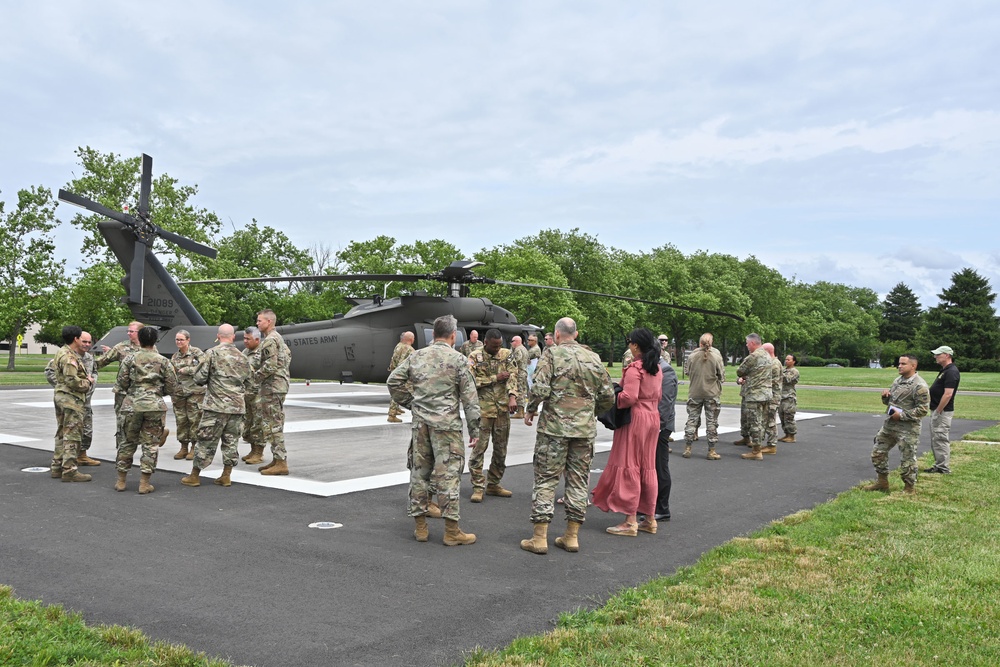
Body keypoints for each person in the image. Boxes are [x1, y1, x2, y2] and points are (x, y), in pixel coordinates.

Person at [520, 317, 615, 554]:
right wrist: (590, 412)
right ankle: (571, 536)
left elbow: (540, 388)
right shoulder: (592, 357)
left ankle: (539, 538)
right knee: (578, 481)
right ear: (577, 333)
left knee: (546, 479)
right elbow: (607, 396)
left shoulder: (551, 355)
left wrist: (531, 409)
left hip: (554, 430)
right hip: (583, 431)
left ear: (557, 334)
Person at [387, 315, 480, 546]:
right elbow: (470, 399)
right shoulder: (459, 360)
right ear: (452, 335)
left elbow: (393, 381)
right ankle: (451, 531)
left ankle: (421, 528)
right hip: (446, 427)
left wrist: (412, 403)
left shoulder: (416, 356)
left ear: (433, 334)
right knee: (448, 476)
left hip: (421, 426)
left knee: (419, 473)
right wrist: (475, 429)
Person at [591, 328, 663, 537]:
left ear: (635, 345)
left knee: (629, 464)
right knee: (647, 467)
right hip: (652, 417)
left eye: (629, 342)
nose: (628, 346)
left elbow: (629, 398)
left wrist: (613, 399)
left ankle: (630, 520)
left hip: (636, 419)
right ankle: (649, 519)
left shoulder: (635, 368)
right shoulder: (656, 368)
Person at [181, 324, 252, 488]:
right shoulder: (242, 357)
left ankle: (195, 476)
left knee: (205, 440)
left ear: (218, 336)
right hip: (236, 407)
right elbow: (251, 381)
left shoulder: (212, 353)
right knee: (231, 441)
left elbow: (199, 378)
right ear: (233, 337)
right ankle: (226, 476)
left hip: (216, 406)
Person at [117, 327, 178, 494]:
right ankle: (144, 483)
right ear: (155, 341)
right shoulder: (164, 361)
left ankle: (121, 480)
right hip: (154, 406)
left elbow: (121, 382)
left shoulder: (129, 359)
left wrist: (135, 391)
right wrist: (156, 392)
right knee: (150, 444)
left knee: (127, 442)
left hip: (132, 405)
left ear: (140, 340)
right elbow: (172, 385)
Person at [864, 354, 929, 494]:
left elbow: (923, 410)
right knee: (877, 452)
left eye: (903, 364)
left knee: (907, 458)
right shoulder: (897, 381)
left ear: (913, 366)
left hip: (908, 428)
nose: (899, 366)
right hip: (890, 425)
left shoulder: (919, 385)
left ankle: (909, 488)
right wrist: (885, 398)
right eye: (899, 363)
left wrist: (902, 416)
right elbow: (893, 403)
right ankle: (882, 482)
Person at [468, 329, 519, 502]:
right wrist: (495, 377)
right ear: (486, 342)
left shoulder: (506, 354)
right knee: (479, 449)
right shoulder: (475, 357)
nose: (498, 349)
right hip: (483, 410)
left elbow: (513, 375)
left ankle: (493, 484)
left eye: (499, 345)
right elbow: (470, 381)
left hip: (502, 409)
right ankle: (477, 486)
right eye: (494, 346)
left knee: (500, 450)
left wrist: (512, 396)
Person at [45, 331, 100, 466]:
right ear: (76, 340)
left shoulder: (89, 358)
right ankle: (68, 465)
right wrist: (65, 388)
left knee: (86, 429)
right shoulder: (68, 356)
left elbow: (93, 374)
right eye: (84, 341)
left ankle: (80, 455)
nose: (87, 345)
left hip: (84, 399)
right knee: (70, 432)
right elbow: (52, 373)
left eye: (89, 342)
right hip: (72, 398)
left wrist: (89, 387)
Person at [95, 321, 143, 453]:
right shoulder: (121, 347)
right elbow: (102, 361)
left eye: (131, 331)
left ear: (140, 333)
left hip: (141, 392)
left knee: (139, 420)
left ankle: (147, 440)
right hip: (123, 391)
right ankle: (122, 449)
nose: (128, 333)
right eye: (128, 331)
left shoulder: (149, 347)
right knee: (122, 419)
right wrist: (84, 366)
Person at [254, 309, 292, 475]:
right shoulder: (279, 338)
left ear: (269, 322)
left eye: (259, 320)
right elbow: (287, 357)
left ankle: (281, 463)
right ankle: (277, 459)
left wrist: (254, 378)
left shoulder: (270, 340)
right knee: (274, 423)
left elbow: (270, 365)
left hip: (272, 387)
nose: (257, 323)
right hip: (278, 386)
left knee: (273, 425)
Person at [683, 333, 725, 460]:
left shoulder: (692, 356)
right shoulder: (716, 356)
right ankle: (711, 450)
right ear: (711, 343)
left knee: (692, 420)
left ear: (700, 343)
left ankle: (688, 448)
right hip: (711, 393)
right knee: (711, 422)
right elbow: (721, 377)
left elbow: (687, 372)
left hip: (695, 391)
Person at [735, 333, 772, 461]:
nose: (746, 345)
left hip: (755, 394)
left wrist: (745, 375)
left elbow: (740, 371)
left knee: (754, 423)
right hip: (766, 394)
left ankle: (756, 451)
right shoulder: (767, 355)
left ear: (752, 343)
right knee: (761, 422)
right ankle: (758, 446)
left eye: (747, 343)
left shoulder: (754, 356)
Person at [170, 330, 205, 461]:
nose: (179, 342)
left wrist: (188, 370)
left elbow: (204, 367)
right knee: (181, 420)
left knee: (194, 420)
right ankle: (183, 446)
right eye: (177, 340)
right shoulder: (175, 357)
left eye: (181, 340)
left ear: (188, 340)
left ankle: (194, 447)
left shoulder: (197, 353)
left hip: (194, 392)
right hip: (179, 393)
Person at [926, 345, 960, 474]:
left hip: (942, 411)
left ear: (947, 355)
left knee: (940, 437)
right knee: (936, 438)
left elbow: (948, 394)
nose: (935, 357)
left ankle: (943, 467)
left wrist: (939, 410)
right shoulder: (945, 370)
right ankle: (939, 464)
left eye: (938, 354)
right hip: (937, 409)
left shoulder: (951, 371)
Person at [651, 355, 677, 521]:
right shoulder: (652, 366)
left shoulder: (666, 370)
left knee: (660, 466)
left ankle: (662, 508)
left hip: (661, 426)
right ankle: (650, 504)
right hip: (652, 424)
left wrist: (658, 427)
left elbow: (665, 403)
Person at [240, 327, 267, 464]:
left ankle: (259, 452)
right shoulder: (246, 352)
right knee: (248, 423)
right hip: (247, 393)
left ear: (257, 339)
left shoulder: (263, 352)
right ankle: (252, 449)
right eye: (244, 338)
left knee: (258, 423)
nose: (245, 341)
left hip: (259, 394)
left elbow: (266, 371)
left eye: (248, 339)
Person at [387, 331, 415, 423]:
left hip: (394, 372)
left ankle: (395, 409)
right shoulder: (410, 349)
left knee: (394, 392)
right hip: (402, 375)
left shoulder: (398, 346)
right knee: (401, 393)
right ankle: (392, 414)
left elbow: (393, 359)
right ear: (411, 339)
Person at [760, 343, 782, 455]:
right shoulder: (772, 363)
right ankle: (769, 443)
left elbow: (771, 381)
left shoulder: (774, 365)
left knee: (770, 420)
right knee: (768, 419)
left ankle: (772, 445)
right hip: (770, 395)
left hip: (772, 397)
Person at [778, 354, 800, 443]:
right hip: (781, 396)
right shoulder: (784, 370)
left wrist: (778, 372)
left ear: (793, 361)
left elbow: (787, 379)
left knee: (789, 416)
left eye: (788, 360)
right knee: (782, 416)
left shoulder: (794, 371)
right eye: (786, 359)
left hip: (789, 397)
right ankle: (786, 434)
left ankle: (792, 435)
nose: (786, 361)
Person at [509, 335, 529, 419]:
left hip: (519, 373)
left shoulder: (518, 350)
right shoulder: (524, 348)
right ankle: (522, 410)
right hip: (524, 372)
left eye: (512, 341)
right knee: (523, 391)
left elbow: (516, 360)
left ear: (516, 341)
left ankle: (520, 412)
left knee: (519, 391)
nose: (511, 343)